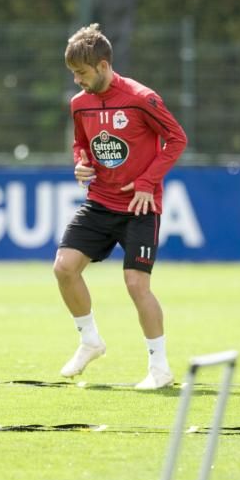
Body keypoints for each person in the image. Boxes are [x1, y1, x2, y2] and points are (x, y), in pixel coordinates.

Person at [53, 24, 187, 390]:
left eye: (81, 73)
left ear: (103, 65)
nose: (77, 80)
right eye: (73, 74)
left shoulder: (141, 97)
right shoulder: (79, 104)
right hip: (100, 201)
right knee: (64, 268)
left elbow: (177, 139)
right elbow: (81, 144)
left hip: (140, 206)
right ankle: (90, 341)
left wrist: (147, 182)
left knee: (135, 284)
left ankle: (160, 368)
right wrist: (81, 161)